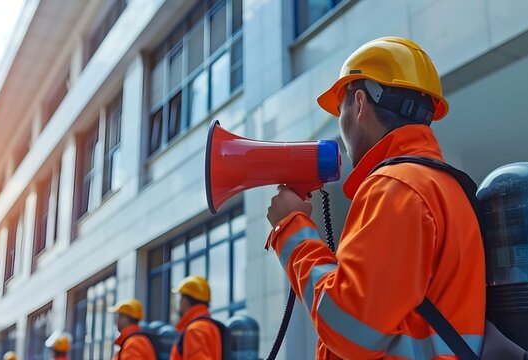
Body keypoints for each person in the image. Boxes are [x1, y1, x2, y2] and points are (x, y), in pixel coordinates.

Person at [265, 36, 486, 359]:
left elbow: (349, 329)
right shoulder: (443, 185)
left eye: (340, 109)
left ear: (359, 104)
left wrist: (291, 229)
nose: (340, 123)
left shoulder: (395, 186)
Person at [170, 275, 222, 360]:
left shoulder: (195, 329)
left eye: (181, 298)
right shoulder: (210, 327)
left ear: (186, 301)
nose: (179, 302)